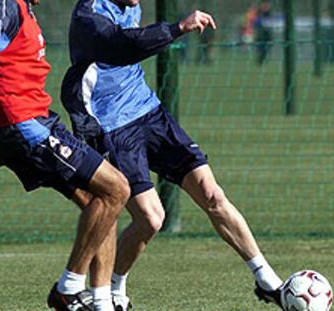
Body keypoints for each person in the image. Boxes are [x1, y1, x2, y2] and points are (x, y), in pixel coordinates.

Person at [61, 0, 287, 310]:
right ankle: (114, 290)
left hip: (149, 111)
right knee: (151, 219)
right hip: (110, 125)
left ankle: (268, 282)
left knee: (211, 193)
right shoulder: (90, 15)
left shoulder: (130, 5)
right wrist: (178, 28)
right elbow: (124, 45)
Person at [0, 1, 130, 310]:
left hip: (30, 121)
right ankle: (67, 289)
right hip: (24, 124)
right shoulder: (3, 4)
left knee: (101, 203)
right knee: (117, 188)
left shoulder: (20, 8)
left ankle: (101, 302)